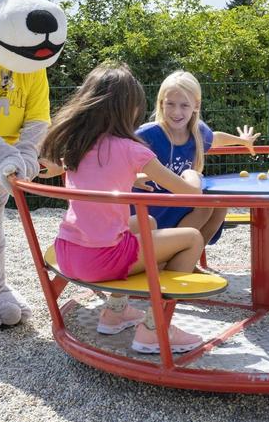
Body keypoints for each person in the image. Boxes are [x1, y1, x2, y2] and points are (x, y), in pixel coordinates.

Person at [39, 62, 205, 353]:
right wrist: (193, 174)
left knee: (147, 224)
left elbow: (100, 171)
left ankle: (114, 312)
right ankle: (156, 328)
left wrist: (133, 177)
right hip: (101, 260)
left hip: (68, 252)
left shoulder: (77, 143)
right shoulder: (132, 150)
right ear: (129, 108)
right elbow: (190, 193)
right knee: (191, 237)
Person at [134, 70, 260, 245]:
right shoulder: (147, 134)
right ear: (161, 104)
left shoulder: (197, 132)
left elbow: (216, 138)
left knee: (218, 204)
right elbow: (118, 158)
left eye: (184, 105)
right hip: (149, 206)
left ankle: (188, 256)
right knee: (204, 204)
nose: (176, 112)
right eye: (170, 104)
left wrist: (242, 141)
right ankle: (168, 257)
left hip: (178, 201)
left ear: (196, 106)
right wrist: (133, 178)